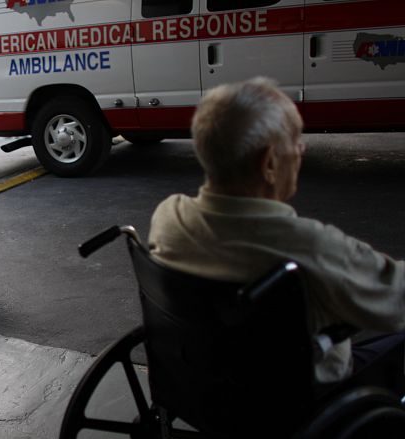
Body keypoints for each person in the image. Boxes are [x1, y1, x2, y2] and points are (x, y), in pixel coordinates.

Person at [148, 77, 405, 385]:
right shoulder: (307, 246)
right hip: (299, 395)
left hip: (206, 381)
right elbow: (394, 300)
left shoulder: (169, 215)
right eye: (296, 140)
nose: (301, 150)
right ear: (269, 162)